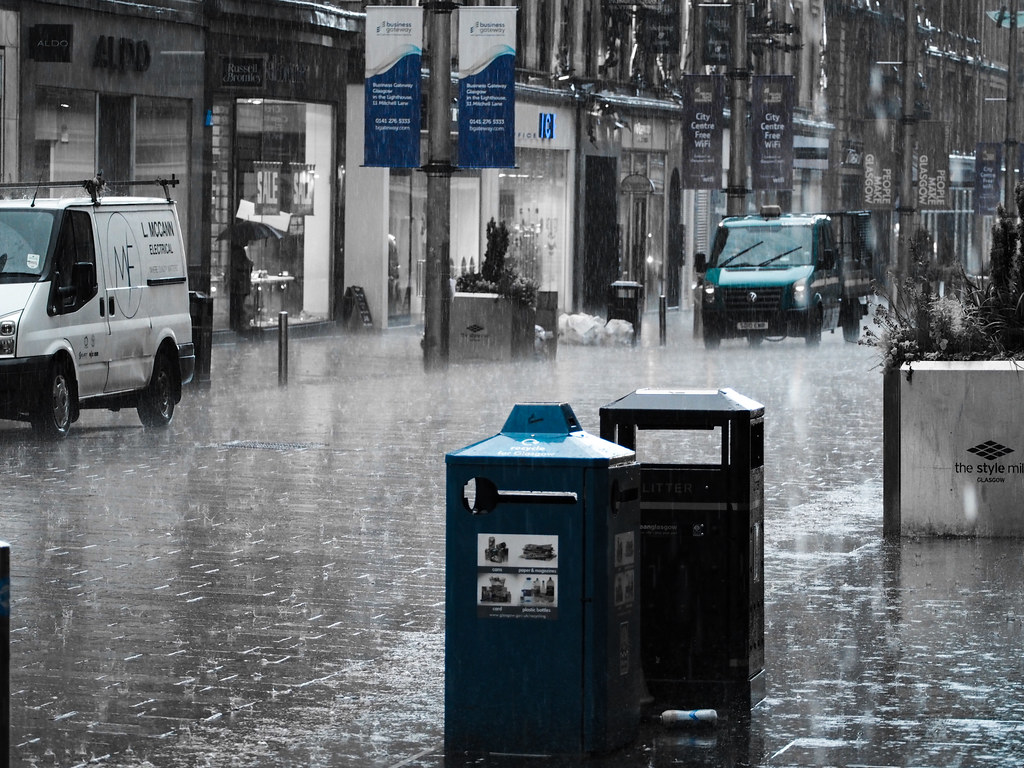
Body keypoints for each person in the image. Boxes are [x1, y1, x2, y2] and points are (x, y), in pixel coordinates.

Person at [229, 240, 253, 333]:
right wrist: (250, 264)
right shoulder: (239, 252)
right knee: (240, 306)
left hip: (238, 285)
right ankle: (239, 326)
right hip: (240, 285)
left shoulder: (235, 252)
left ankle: (236, 325)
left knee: (238, 306)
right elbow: (242, 266)